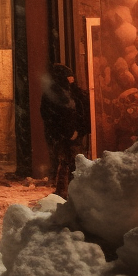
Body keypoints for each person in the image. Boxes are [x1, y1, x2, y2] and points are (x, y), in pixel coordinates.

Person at [41, 63, 88, 198]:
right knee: (69, 161)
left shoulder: (58, 93)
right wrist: (74, 131)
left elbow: (49, 114)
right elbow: (69, 113)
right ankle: (69, 191)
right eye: (69, 76)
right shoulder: (69, 93)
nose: (72, 78)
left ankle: (65, 191)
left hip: (63, 133)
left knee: (66, 161)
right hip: (67, 133)